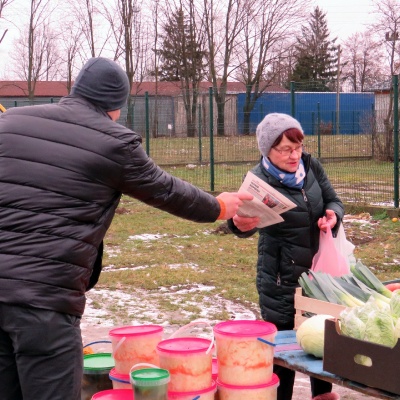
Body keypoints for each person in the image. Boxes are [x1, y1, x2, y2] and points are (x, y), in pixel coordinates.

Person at [0, 57, 254, 400]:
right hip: (45, 302)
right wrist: (219, 206)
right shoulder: (113, 141)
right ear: (116, 105)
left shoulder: (10, 122)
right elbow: (166, 190)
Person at [228, 113, 344, 400]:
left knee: (321, 343)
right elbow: (238, 223)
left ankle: (322, 396)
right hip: (280, 281)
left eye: (298, 147)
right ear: (268, 150)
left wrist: (333, 216)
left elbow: (333, 200)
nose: (295, 156)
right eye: (286, 149)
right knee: (284, 355)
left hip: (320, 275)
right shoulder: (258, 180)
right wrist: (237, 224)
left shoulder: (311, 166)